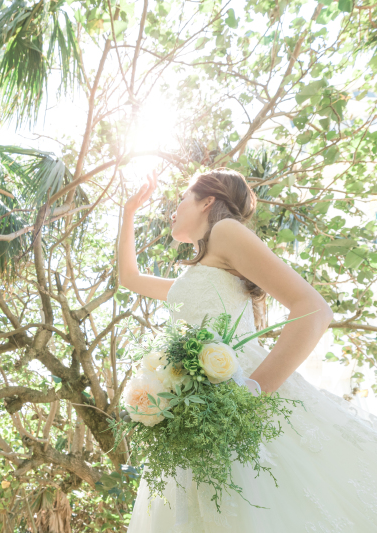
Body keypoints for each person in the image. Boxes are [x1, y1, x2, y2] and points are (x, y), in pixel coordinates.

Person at [120, 168, 377, 532]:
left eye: (182, 198)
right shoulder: (194, 273)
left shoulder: (225, 231)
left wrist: (252, 392)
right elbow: (129, 278)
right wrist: (129, 212)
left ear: (208, 200)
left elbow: (313, 308)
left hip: (239, 395)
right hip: (200, 411)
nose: (173, 209)